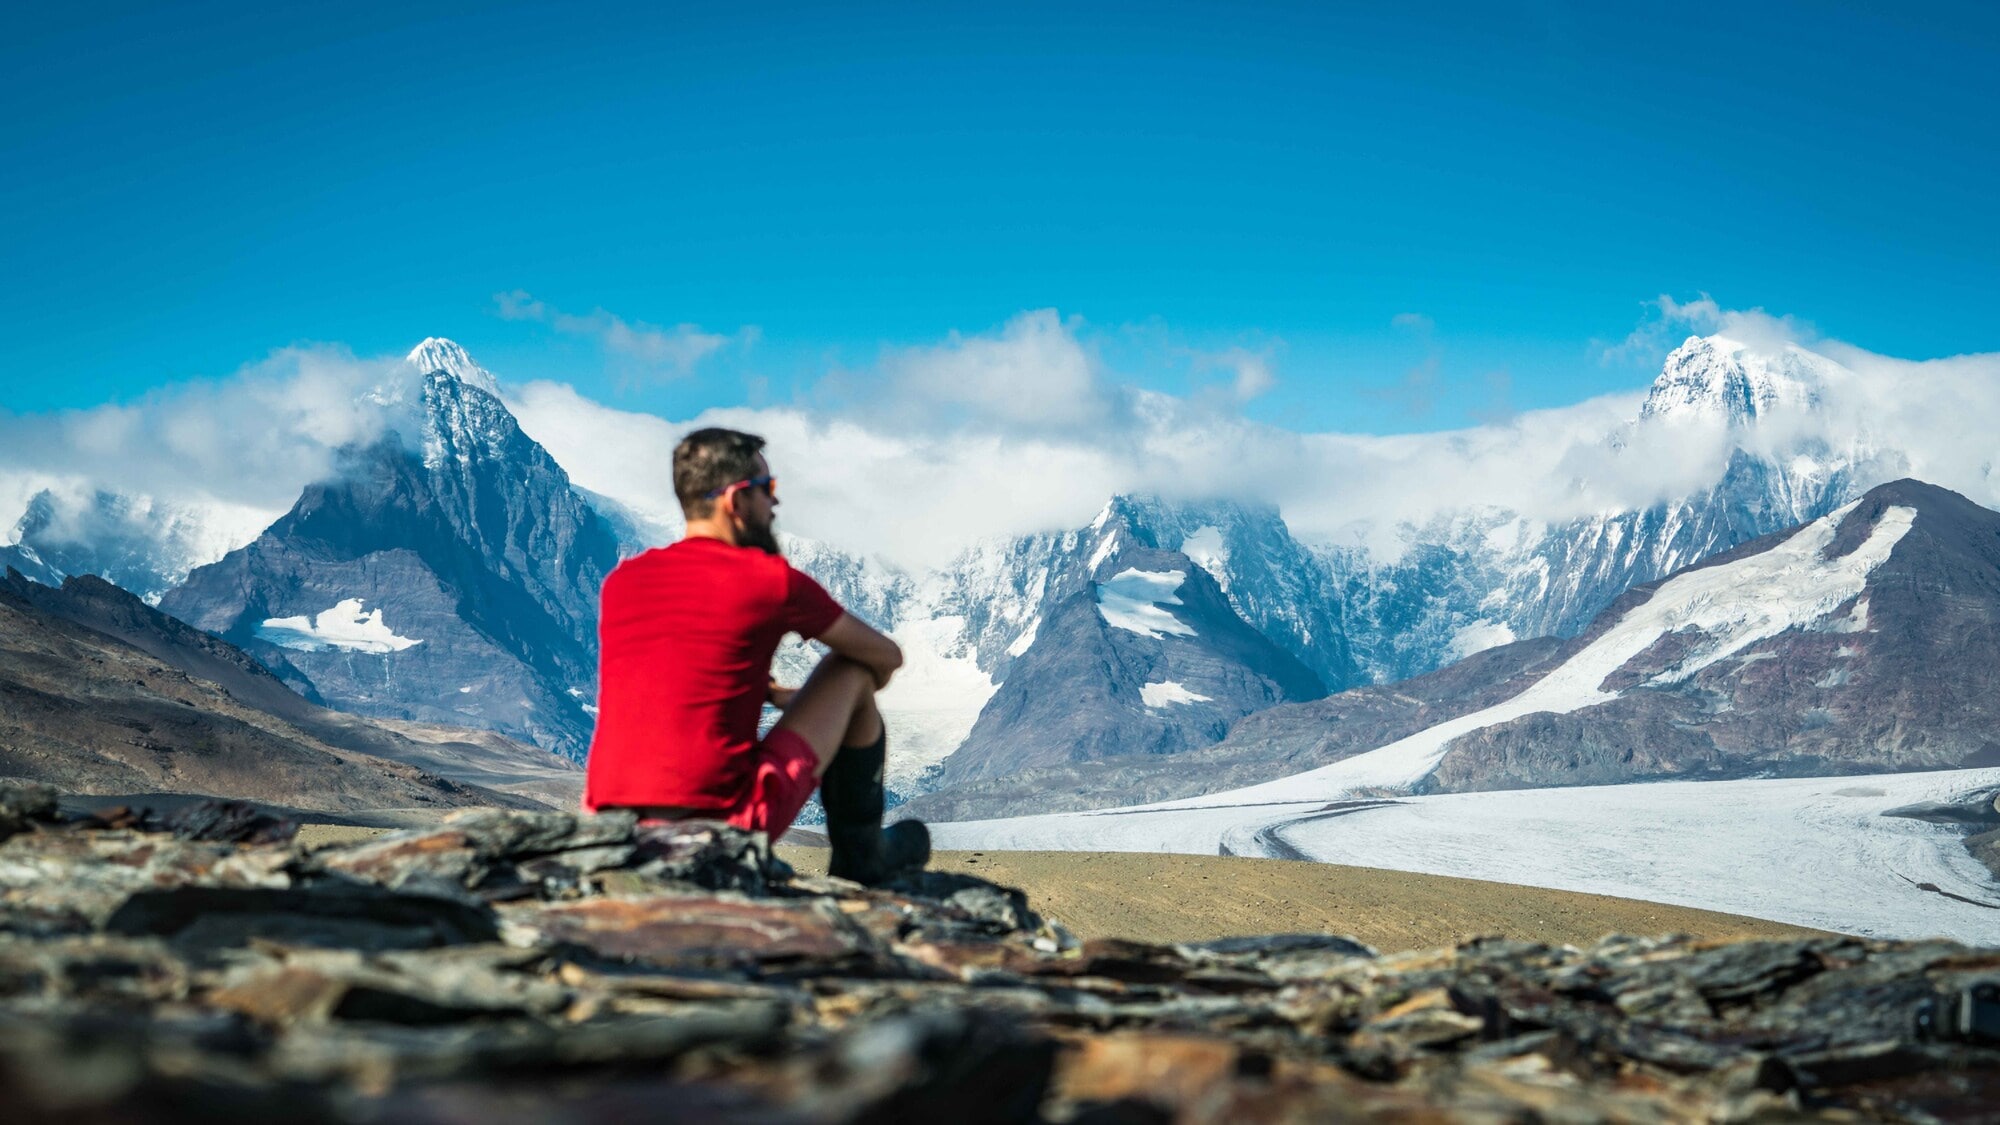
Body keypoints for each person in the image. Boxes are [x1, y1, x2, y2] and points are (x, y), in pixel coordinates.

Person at [582, 427, 928, 885]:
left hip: (608, 822)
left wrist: (773, 695)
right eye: (768, 490)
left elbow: (682, 675)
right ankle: (861, 857)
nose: (775, 504)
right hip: (722, 824)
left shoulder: (623, 581)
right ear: (735, 501)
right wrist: (826, 704)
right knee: (851, 670)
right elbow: (885, 657)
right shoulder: (769, 580)